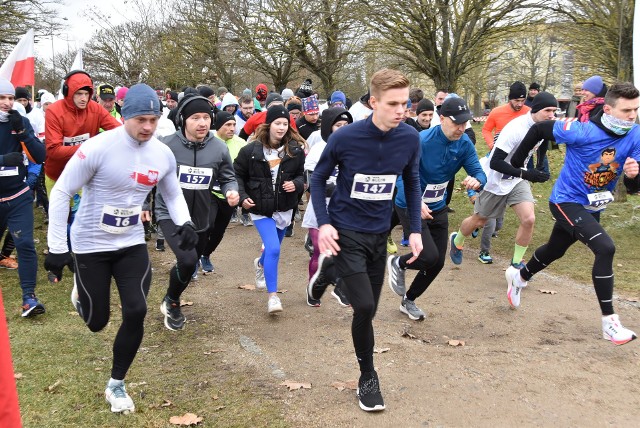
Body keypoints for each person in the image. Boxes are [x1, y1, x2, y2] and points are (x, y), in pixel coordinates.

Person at [44, 84, 199, 413]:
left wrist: (184, 224)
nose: (147, 127)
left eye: (154, 120)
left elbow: (171, 194)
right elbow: (60, 193)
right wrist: (57, 248)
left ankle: (116, 385)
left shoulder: (162, 153)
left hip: (130, 243)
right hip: (90, 245)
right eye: (141, 119)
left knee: (136, 311)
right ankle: (81, 293)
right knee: (97, 322)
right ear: (125, 116)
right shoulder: (98, 147)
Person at [309, 69, 423, 412]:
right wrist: (325, 224)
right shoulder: (345, 139)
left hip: (379, 234)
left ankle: (328, 272)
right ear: (373, 102)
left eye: (405, 103)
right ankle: (367, 376)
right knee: (366, 306)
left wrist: (414, 229)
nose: (401, 110)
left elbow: (413, 182)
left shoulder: (410, 138)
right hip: (346, 231)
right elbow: (317, 181)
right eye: (393, 104)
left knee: (366, 310)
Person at [506, 82, 639, 345]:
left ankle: (519, 276)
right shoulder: (582, 130)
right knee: (605, 247)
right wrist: (517, 163)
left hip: (594, 205)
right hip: (566, 202)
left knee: (556, 249)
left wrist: (634, 176)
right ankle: (609, 323)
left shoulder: (635, 135)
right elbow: (540, 128)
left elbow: (634, 189)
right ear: (609, 109)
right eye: (627, 110)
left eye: (636, 109)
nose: (633, 115)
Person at [387, 97, 486, 321]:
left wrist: (477, 181)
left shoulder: (464, 144)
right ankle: (397, 262)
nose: (461, 128)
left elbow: (479, 172)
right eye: (456, 123)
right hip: (410, 203)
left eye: (465, 123)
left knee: (438, 262)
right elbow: (400, 175)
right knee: (427, 255)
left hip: (438, 205)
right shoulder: (421, 141)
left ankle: (408, 300)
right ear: (441, 119)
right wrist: (414, 201)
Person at [153, 96, 239, 329]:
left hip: (201, 215)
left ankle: (171, 297)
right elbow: (147, 175)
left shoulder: (218, 147)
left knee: (190, 264)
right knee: (188, 259)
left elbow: (227, 176)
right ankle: (172, 301)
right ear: (183, 120)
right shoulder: (166, 145)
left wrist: (231, 190)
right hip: (169, 213)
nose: (202, 123)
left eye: (206, 118)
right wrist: (143, 207)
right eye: (195, 118)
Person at [449, 92, 558, 275]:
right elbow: (496, 162)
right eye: (548, 110)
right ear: (536, 110)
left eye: (554, 111)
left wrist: (540, 166)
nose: (551, 115)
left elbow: (544, 142)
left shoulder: (542, 125)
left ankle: (516, 263)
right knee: (480, 220)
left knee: (529, 219)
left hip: (516, 179)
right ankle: (457, 240)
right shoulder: (516, 129)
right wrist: (527, 173)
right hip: (495, 180)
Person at [234, 105, 305, 314]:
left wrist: (297, 185)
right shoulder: (250, 150)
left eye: (285, 124)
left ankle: (260, 264)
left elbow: (302, 176)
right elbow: (237, 175)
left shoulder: (295, 150)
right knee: (273, 248)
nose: (282, 127)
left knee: (271, 250)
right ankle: (273, 297)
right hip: (260, 208)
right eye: (278, 123)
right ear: (269, 125)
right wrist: (243, 198)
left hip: (284, 208)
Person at [0, 78, 46, 315]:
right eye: (2, 98)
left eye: (10, 98)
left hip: (18, 196)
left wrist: (23, 133)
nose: (7, 103)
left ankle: (29, 297)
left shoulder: (20, 122)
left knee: (25, 244)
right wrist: (2, 160)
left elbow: (40, 156)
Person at [303, 107, 353, 307]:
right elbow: (313, 183)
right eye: (338, 126)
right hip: (320, 208)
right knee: (320, 253)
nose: (342, 129)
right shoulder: (318, 149)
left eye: (346, 126)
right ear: (328, 128)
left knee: (345, 252)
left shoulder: (354, 148)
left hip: (345, 210)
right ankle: (312, 289)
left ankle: (341, 286)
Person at [476, 81, 531, 263]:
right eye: (516, 100)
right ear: (510, 99)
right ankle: (484, 249)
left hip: (516, 166)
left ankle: (480, 220)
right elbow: (485, 129)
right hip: (496, 160)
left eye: (523, 100)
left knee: (499, 219)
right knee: (490, 215)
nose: (520, 104)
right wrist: (493, 145)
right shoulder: (497, 112)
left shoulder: (529, 113)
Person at [199, 111, 247, 273]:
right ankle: (193, 259)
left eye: (234, 124)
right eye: (228, 125)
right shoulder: (207, 141)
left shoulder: (241, 144)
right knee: (207, 225)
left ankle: (205, 255)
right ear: (218, 126)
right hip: (209, 192)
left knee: (219, 231)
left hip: (229, 195)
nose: (232, 128)